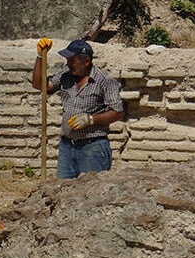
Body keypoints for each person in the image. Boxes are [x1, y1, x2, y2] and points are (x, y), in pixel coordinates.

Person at [32, 38, 125, 179]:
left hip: (92, 148)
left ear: (86, 61)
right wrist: (40, 57)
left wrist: (90, 119)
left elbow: (117, 113)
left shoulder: (104, 81)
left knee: (92, 192)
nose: (68, 63)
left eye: (71, 60)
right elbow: (40, 85)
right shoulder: (65, 76)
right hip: (67, 147)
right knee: (63, 191)